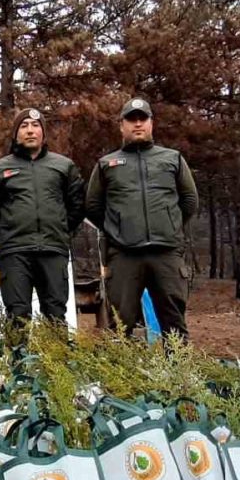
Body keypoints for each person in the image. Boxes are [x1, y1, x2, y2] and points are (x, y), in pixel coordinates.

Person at [85, 97, 198, 339]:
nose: (138, 124)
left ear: (151, 124)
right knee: (119, 325)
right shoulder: (107, 164)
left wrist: (169, 226)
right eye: (131, 120)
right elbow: (93, 206)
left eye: (142, 119)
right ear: (121, 126)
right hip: (124, 256)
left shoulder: (172, 159)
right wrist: (118, 229)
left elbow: (189, 202)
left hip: (166, 255)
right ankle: (120, 376)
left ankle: (177, 375)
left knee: (174, 324)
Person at [0, 108, 85, 326]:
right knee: (17, 315)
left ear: (43, 132)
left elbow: (77, 206)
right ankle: (19, 360)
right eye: (24, 126)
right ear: (15, 134)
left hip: (53, 250)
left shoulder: (64, 166)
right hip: (15, 253)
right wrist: (10, 230)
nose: (30, 131)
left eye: (35, 125)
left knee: (55, 315)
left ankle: (56, 361)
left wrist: (59, 228)